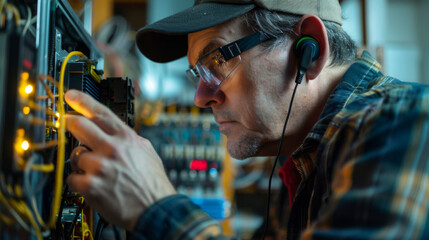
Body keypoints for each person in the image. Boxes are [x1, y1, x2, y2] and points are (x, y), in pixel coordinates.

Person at [64, 0, 429, 239]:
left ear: (309, 50)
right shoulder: (302, 163)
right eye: (198, 72)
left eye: (217, 61)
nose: (201, 98)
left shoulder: (406, 122)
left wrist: (154, 207)